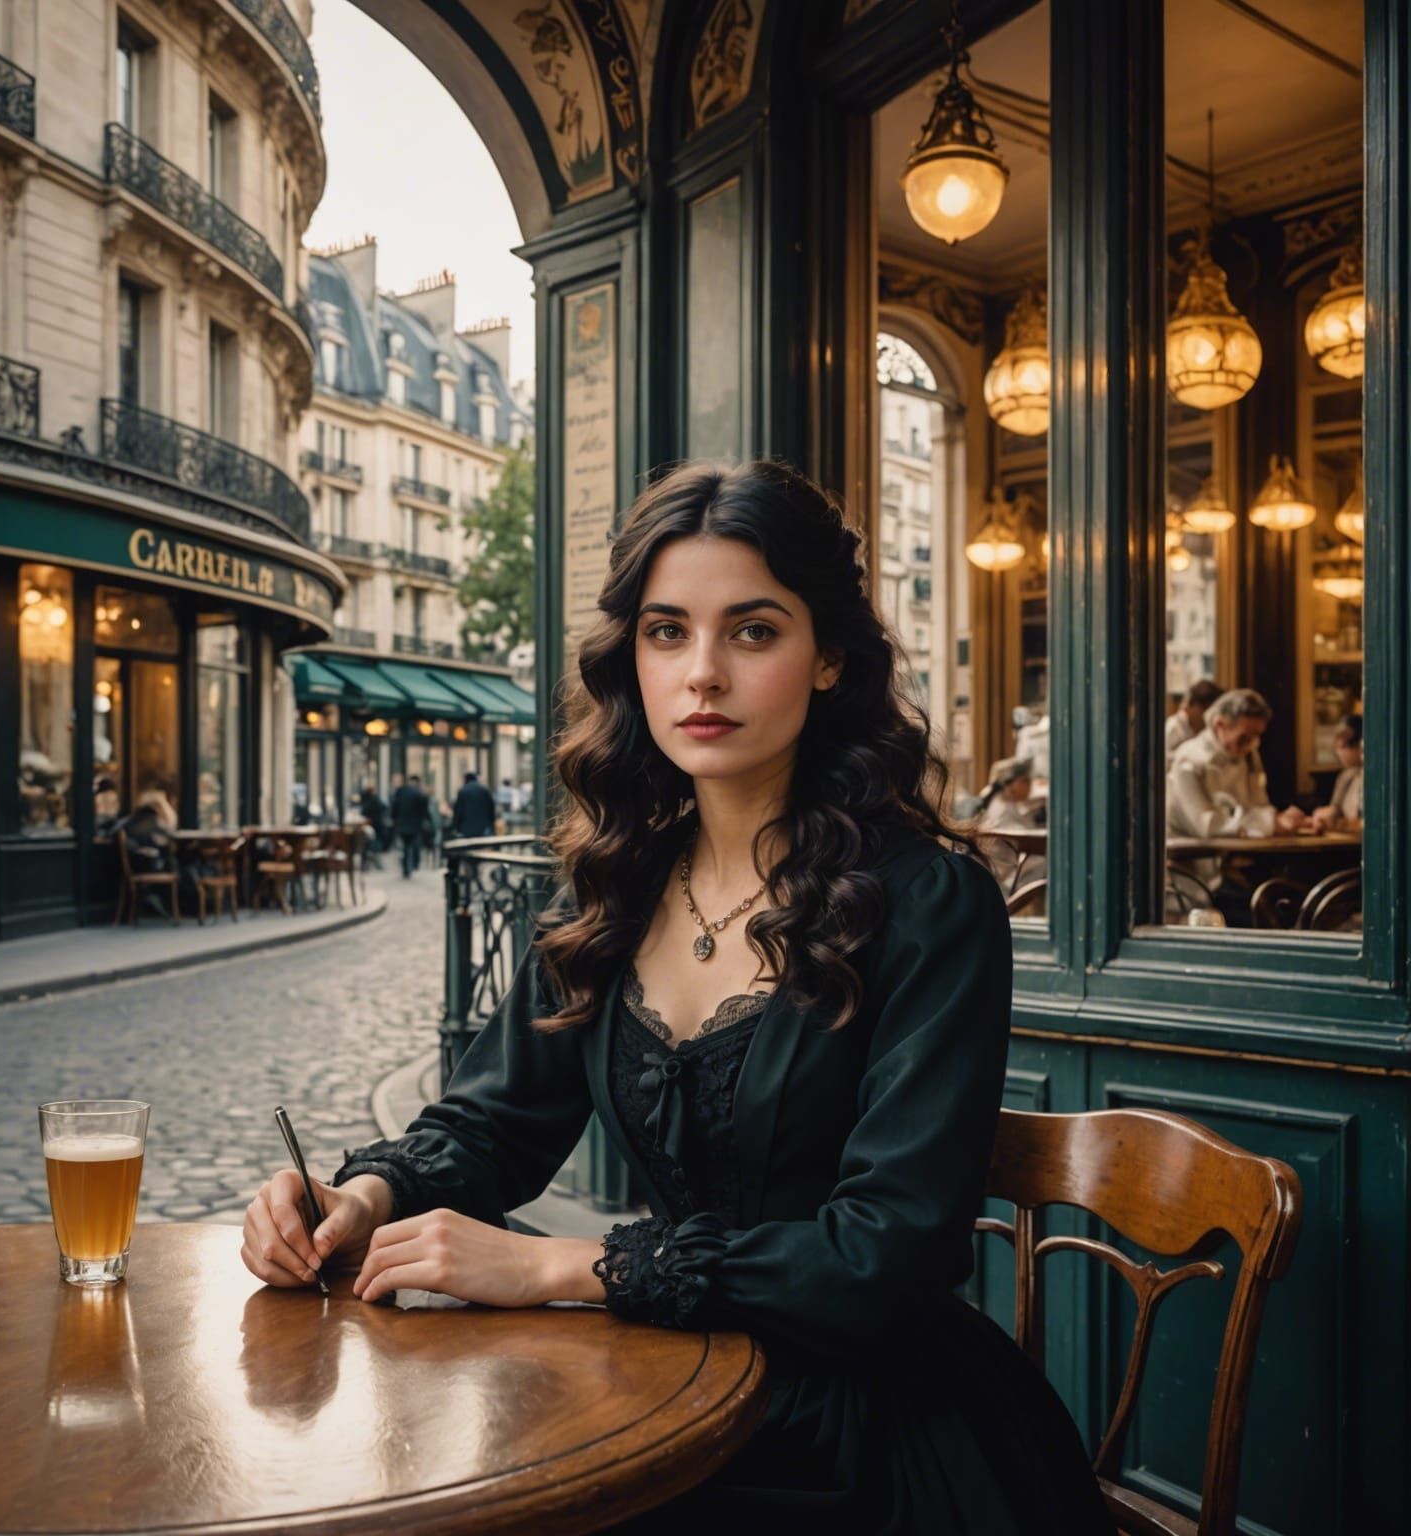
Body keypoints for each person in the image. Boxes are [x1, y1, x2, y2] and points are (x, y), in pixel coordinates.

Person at [242, 460, 1113, 1533]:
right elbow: (492, 1120)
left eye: (752, 631)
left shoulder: (932, 902)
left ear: (829, 656)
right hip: (657, 1386)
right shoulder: (615, 883)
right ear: (633, 659)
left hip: (868, 1438)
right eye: (667, 632)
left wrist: (559, 1265)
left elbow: (886, 1255)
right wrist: (361, 1200)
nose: (703, 673)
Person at [1167, 688, 1308, 841]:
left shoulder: (1249, 757)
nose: (1253, 745)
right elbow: (1208, 825)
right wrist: (1269, 823)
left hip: (1239, 853)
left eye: (1257, 736)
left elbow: (1259, 803)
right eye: (1244, 738)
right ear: (1219, 725)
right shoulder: (1188, 762)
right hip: (1192, 858)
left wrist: (1281, 818)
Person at [976, 756, 1043, 890]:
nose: (1029, 786)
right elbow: (1026, 840)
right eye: (1025, 781)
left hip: (1010, 874)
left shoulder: (1008, 804)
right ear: (1011, 784)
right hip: (1004, 882)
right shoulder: (1001, 811)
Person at [1311, 713, 1363, 832]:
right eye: (1337, 748)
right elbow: (1335, 808)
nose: (1339, 753)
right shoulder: (1345, 776)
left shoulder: (1371, 776)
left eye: (1343, 747)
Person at [1164, 678, 1223, 769]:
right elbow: (1163, 762)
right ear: (1193, 705)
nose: (1207, 716)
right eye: (1204, 710)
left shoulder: (1204, 728)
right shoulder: (1172, 727)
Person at [389, 774, 431, 878]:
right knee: (413, 844)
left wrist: (394, 819)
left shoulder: (401, 791)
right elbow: (423, 810)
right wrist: (426, 820)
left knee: (405, 846)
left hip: (402, 823)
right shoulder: (419, 793)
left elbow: (395, 807)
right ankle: (413, 864)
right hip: (414, 824)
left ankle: (406, 867)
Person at [451, 770, 496, 839]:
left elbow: (458, 811)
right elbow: (491, 808)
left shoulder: (463, 791)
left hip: (467, 828)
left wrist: (456, 826)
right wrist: (491, 824)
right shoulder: (484, 790)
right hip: (483, 827)